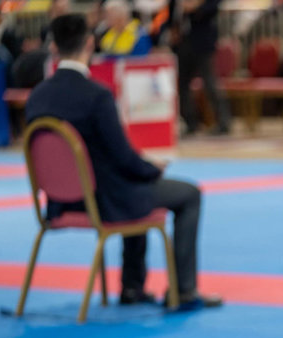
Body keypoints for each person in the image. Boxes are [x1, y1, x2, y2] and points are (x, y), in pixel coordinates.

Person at [26, 14, 222, 310]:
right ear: (90, 44)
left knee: (134, 180)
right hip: (104, 200)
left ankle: (133, 287)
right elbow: (123, 158)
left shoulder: (37, 97)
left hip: (60, 201)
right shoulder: (97, 96)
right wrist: (151, 167)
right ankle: (183, 291)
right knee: (186, 193)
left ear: (53, 47)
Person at [168, 0, 232, 136]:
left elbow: (213, 8)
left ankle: (223, 122)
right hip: (183, 44)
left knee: (210, 83)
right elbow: (171, 14)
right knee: (182, 85)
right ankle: (191, 123)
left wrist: (195, 7)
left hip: (203, 44)